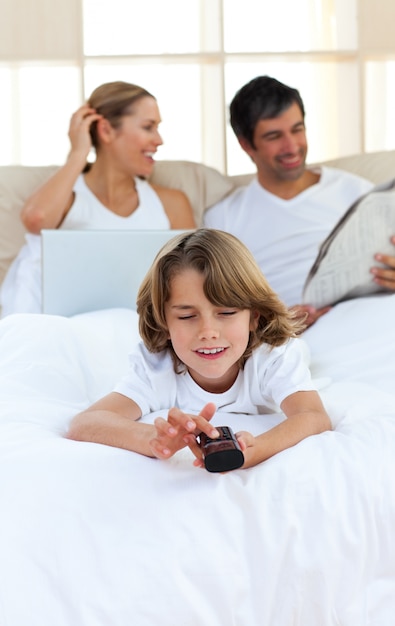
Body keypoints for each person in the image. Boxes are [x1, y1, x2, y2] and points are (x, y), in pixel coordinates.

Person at [67, 229, 331, 470]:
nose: (208, 332)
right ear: (164, 322)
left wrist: (258, 449)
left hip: (274, 342)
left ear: (254, 316)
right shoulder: (156, 367)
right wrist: (154, 439)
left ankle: (301, 317)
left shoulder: (275, 354)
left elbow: (313, 416)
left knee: (296, 338)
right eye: (186, 316)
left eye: (226, 312)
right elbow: (85, 423)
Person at [204, 75, 395, 327]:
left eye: (297, 129)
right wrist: (275, 323)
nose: (292, 146)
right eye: (274, 136)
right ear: (246, 145)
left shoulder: (357, 192)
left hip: (376, 311)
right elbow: (217, 308)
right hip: (296, 333)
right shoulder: (224, 219)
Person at [0, 81, 196, 316]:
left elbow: (191, 279)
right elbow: (36, 219)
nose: (159, 140)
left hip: (140, 327)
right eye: (148, 127)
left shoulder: (171, 203)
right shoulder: (68, 200)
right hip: (71, 326)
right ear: (106, 131)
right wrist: (78, 153)